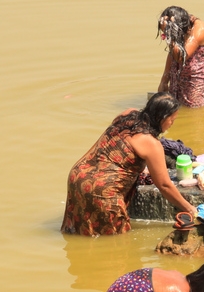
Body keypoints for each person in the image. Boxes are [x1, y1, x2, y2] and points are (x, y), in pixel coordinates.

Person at [60, 92, 196, 236]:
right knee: (115, 246)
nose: (172, 124)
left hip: (78, 176)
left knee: (80, 234)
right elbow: (164, 185)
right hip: (102, 191)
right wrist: (189, 208)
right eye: (172, 119)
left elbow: (118, 149)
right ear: (162, 118)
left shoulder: (127, 114)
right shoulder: (152, 144)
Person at [157, 6, 204, 108]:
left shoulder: (199, 29)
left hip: (194, 84)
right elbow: (172, 53)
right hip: (176, 79)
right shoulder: (180, 24)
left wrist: (169, 33)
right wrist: (164, 81)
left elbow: (181, 57)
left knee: (194, 117)